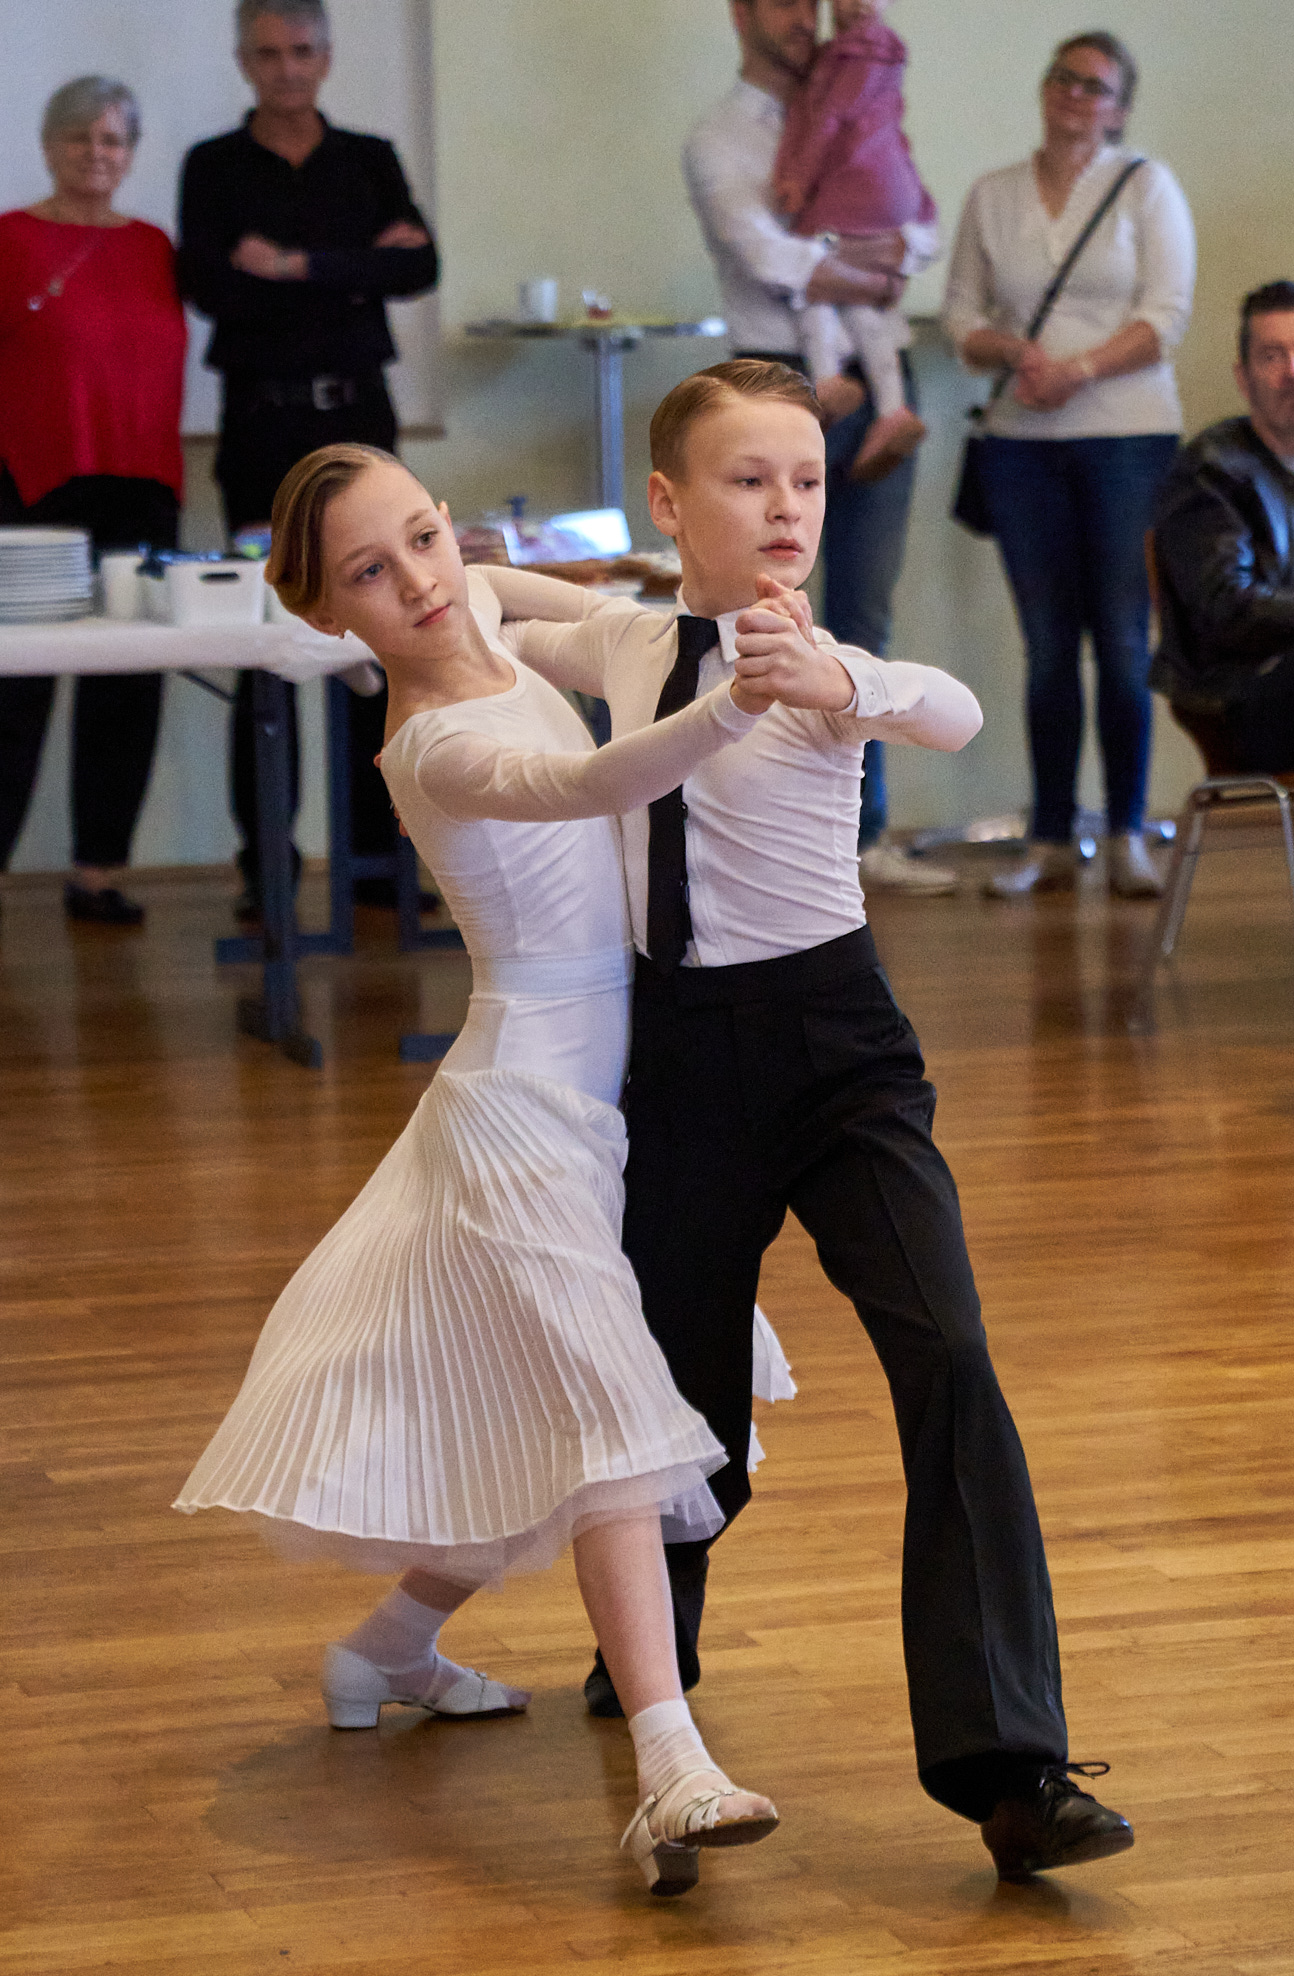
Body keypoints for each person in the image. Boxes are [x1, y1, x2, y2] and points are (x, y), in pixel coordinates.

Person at [486, 359, 1136, 1881]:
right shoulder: (634, 640)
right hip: (678, 1061)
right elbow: (521, 608)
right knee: (678, 1401)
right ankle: (655, 1659)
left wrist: (844, 686)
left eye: (806, 479)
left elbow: (951, 710)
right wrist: (443, 570)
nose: (786, 506)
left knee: (950, 1355)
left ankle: (1011, 1766)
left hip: (844, 1057)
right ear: (668, 502)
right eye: (747, 478)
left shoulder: (824, 662)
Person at [175, 442, 851, 1894]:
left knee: (529, 1415)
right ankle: (671, 1769)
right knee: (606, 1419)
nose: (420, 582)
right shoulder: (431, 746)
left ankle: (384, 1650)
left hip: (612, 1105)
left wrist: (677, 597)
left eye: (423, 537)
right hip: (522, 1117)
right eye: (372, 572)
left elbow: (582, 604)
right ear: (325, 612)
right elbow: (594, 774)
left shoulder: (474, 597)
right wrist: (733, 698)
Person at [683, 0, 956, 894]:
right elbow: (769, 257)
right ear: (743, 13)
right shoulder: (721, 135)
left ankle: (862, 836)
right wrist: (869, 268)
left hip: (875, 381)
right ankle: (765, 837)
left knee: (865, 609)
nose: (809, 20)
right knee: (760, 614)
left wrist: (888, 255)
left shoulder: (862, 100)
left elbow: (918, 225)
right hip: (769, 383)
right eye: (787, 3)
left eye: (816, 1)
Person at [178, 0, 439, 921]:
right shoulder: (213, 166)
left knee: (382, 640)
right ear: (243, 61)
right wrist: (355, 267)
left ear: (325, 57)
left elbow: (419, 265)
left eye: (301, 52)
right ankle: (269, 873)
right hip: (261, 425)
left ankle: (380, 865)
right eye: (267, 54)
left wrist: (291, 264)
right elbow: (210, 287)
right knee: (265, 645)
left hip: (359, 420)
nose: (286, 70)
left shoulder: (368, 157)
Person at [943, 30, 1196, 900]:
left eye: (1095, 86)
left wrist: (1077, 370)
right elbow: (960, 316)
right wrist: (1013, 351)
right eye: (1064, 78)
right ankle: (1051, 838)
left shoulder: (1147, 186)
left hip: (1130, 438)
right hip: (1020, 447)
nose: (1075, 95)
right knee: (1048, 648)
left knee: (1123, 644)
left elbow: (1166, 317)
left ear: (1120, 109)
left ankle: (1126, 832)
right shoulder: (994, 193)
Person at [0, 77, 185, 924]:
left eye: (111, 140)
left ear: (130, 153)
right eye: (78, 137)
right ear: (48, 146)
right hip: (32, 483)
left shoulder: (154, 245)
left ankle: (98, 872)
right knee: (14, 691)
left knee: (127, 685)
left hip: (142, 484)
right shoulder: (10, 238)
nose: (95, 154)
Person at [1151, 281, 1294, 773]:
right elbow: (1227, 607)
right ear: (1243, 378)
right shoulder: (1212, 473)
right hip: (1272, 697)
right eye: (1272, 356)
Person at [772, 0, 935, 481]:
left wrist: (796, 178)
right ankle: (892, 409)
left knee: (811, 275)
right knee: (863, 301)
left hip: (857, 185)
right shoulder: (871, 52)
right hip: (885, 190)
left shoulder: (856, 52)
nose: (861, 0)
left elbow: (827, 119)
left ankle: (826, 377)